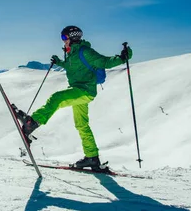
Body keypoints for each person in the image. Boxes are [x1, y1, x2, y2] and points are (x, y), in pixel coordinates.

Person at [20, 25, 132, 169]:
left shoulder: (85, 51)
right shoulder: (72, 54)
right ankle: (92, 158)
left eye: (64, 38)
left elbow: (105, 61)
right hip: (77, 90)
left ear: (71, 37)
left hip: (85, 91)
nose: (63, 41)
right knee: (82, 125)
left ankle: (32, 123)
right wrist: (59, 62)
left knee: (57, 98)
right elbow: (72, 67)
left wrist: (123, 57)